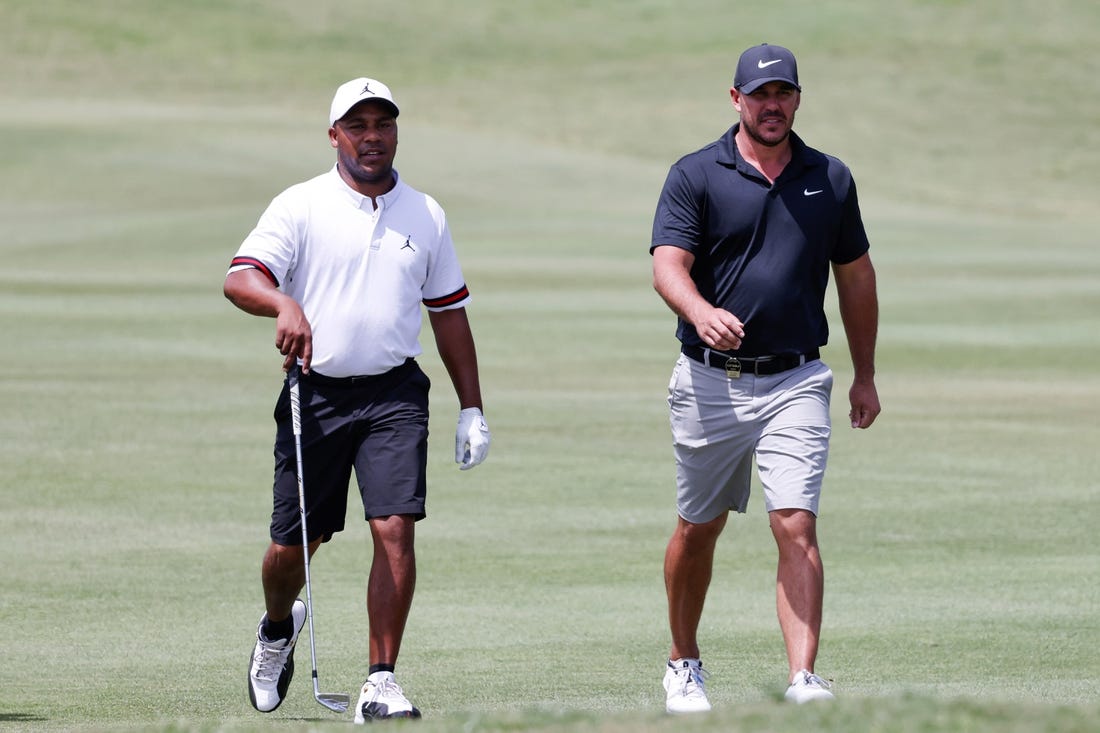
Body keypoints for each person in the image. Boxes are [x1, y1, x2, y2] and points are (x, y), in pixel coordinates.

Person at [224, 77, 491, 723]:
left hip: (394, 393)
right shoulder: (301, 205)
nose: (372, 137)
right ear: (334, 135)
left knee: (394, 527)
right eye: (358, 125)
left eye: (384, 124)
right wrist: (283, 302)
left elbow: (449, 313)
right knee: (293, 545)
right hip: (314, 394)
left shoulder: (425, 213)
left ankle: (380, 680)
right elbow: (240, 277)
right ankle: (276, 625)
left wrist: (473, 406)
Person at [650, 43, 880, 712]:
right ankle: (682, 660)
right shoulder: (697, 173)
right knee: (699, 526)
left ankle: (803, 676)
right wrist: (700, 310)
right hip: (708, 378)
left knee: (795, 523)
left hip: (796, 379)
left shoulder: (829, 178)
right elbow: (669, 265)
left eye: (783, 93)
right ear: (736, 100)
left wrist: (865, 375)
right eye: (759, 94)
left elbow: (856, 277)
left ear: (798, 100)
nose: (771, 104)